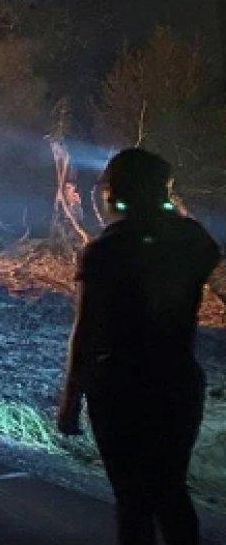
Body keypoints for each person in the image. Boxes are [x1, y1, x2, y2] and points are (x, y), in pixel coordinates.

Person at [58, 148, 220, 545]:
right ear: (164, 188)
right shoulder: (192, 240)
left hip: (118, 385)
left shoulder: (105, 251)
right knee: (171, 490)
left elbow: (87, 329)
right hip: (178, 380)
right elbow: (202, 252)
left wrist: (71, 396)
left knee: (132, 499)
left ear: (116, 193)